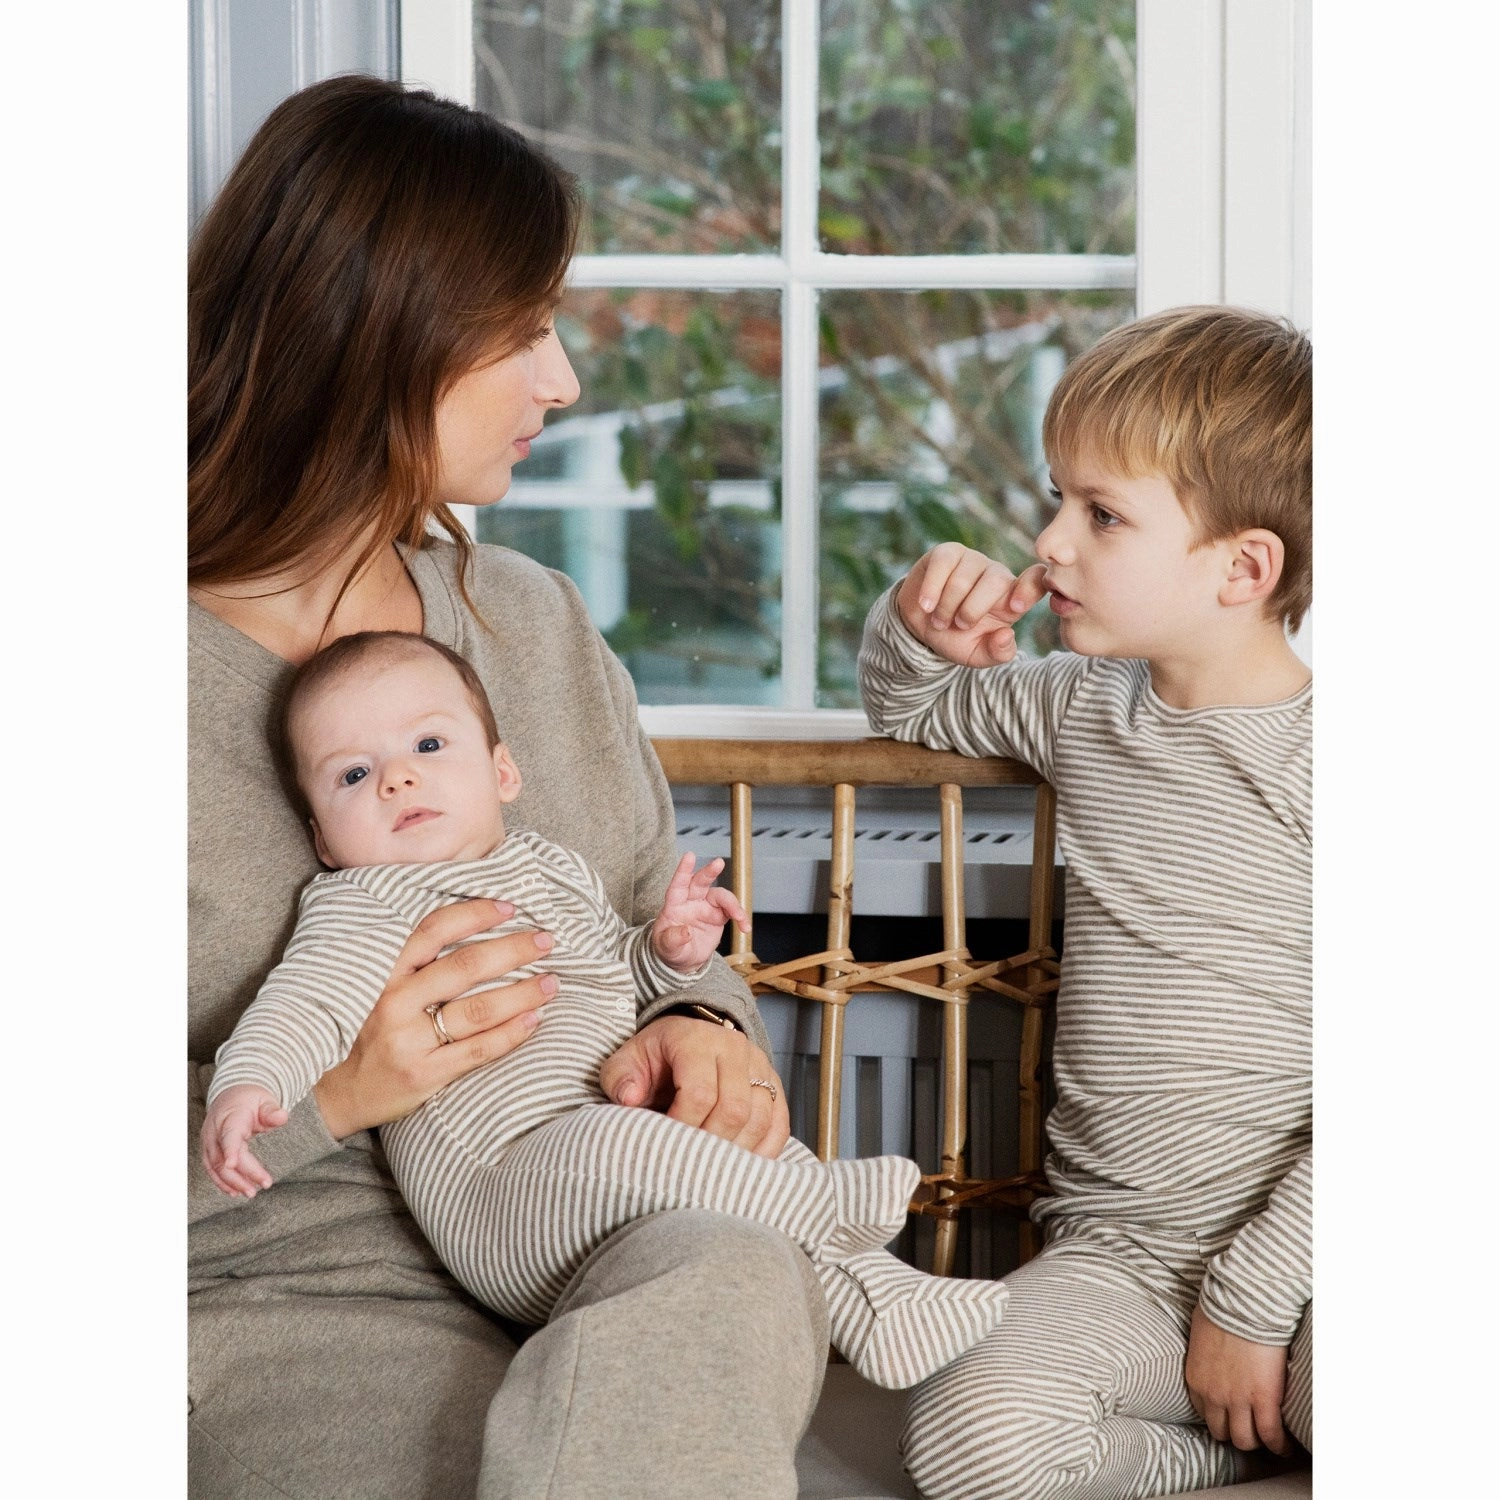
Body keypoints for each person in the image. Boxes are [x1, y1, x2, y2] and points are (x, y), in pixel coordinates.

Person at [190, 74, 828, 1500]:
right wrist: (336, 1089)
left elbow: (655, 926)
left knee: (732, 1271)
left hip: (605, 1229)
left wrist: (705, 1031)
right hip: (296, 1297)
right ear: (379, 329)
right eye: (528, 331)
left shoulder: (528, 623)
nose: (566, 382)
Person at [201, 629, 1007, 1389]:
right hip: (502, 1192)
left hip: (613, 1158)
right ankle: (829, 1208)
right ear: (323, 840)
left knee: (745, 1147)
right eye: (352, 775)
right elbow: (299, 1004)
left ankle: (884, 1305)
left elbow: (611, 968)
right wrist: (247, 1090)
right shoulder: (361, 901)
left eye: (429, 746)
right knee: (621, 1138)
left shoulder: (552, 868)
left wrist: (667, 952)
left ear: (503, 773)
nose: (396, 778)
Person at [858, 305, 1313, 1498]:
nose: (1050, 542)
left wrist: (1257, 1299)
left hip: (1310, 1257)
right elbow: (912, 708)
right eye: (1059, 500)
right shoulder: (1077, 708)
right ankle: (1229, 1450)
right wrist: (920, 628)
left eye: (1101, 514)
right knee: (971, 1449)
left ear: (1242, 569)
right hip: (1116, 1258)